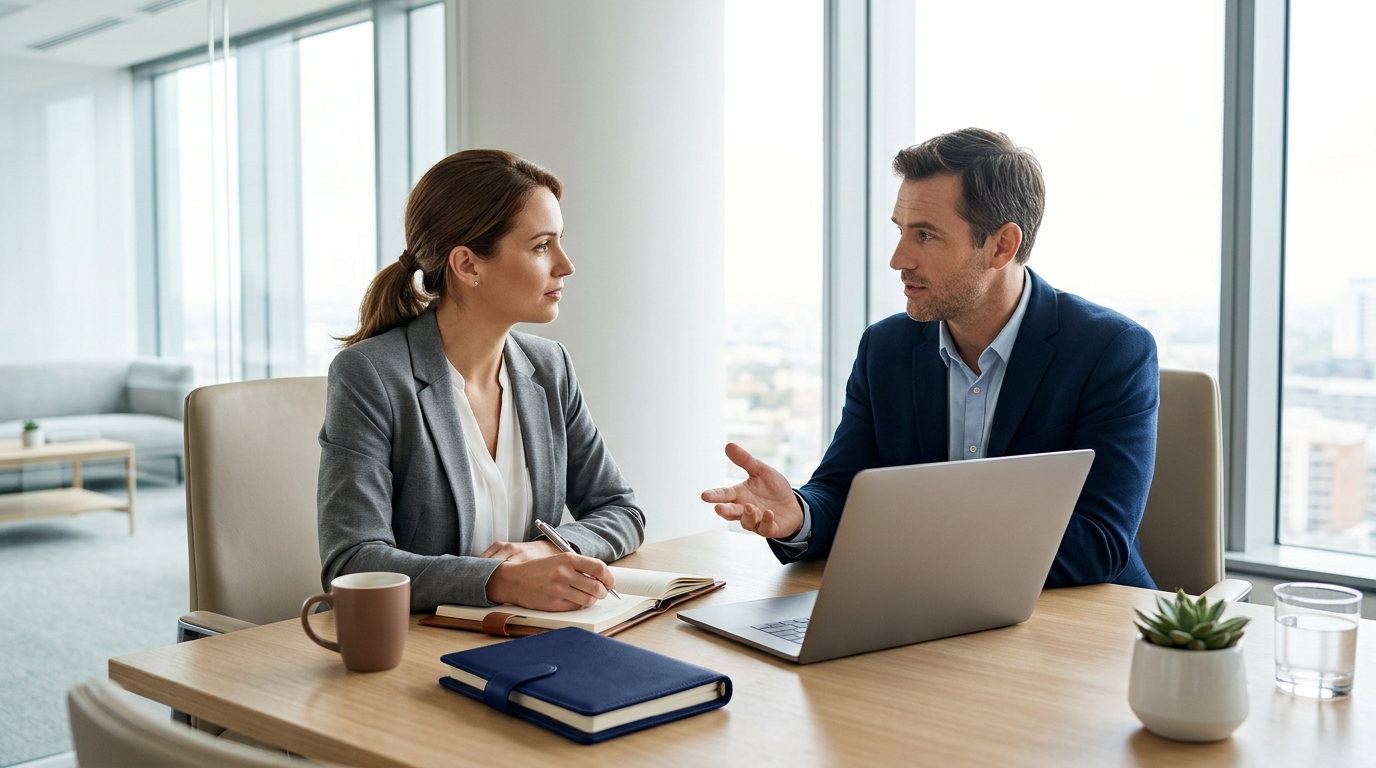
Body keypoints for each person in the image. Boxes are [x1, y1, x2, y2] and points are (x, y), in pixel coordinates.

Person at [703, 128, 1157, 589]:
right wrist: (799, 514)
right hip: (924, 613)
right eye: (901, 231)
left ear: (1002, 245)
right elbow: (845, 490)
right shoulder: (886, 349)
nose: (898, 259)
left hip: (1083, 624)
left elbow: (1099, 540)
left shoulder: (1111, 351)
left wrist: (918, 549)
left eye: (925, 235)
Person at [318, 149, 645, 612]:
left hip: (532, 635)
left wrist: (548, 549)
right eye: (540, 246)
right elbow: (352, 562)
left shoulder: (549, 367)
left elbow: (622, 511)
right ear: (468, 265)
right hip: (417, 649)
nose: (565, 265)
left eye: (559, 242)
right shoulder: (370, 375)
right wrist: (501, 581)